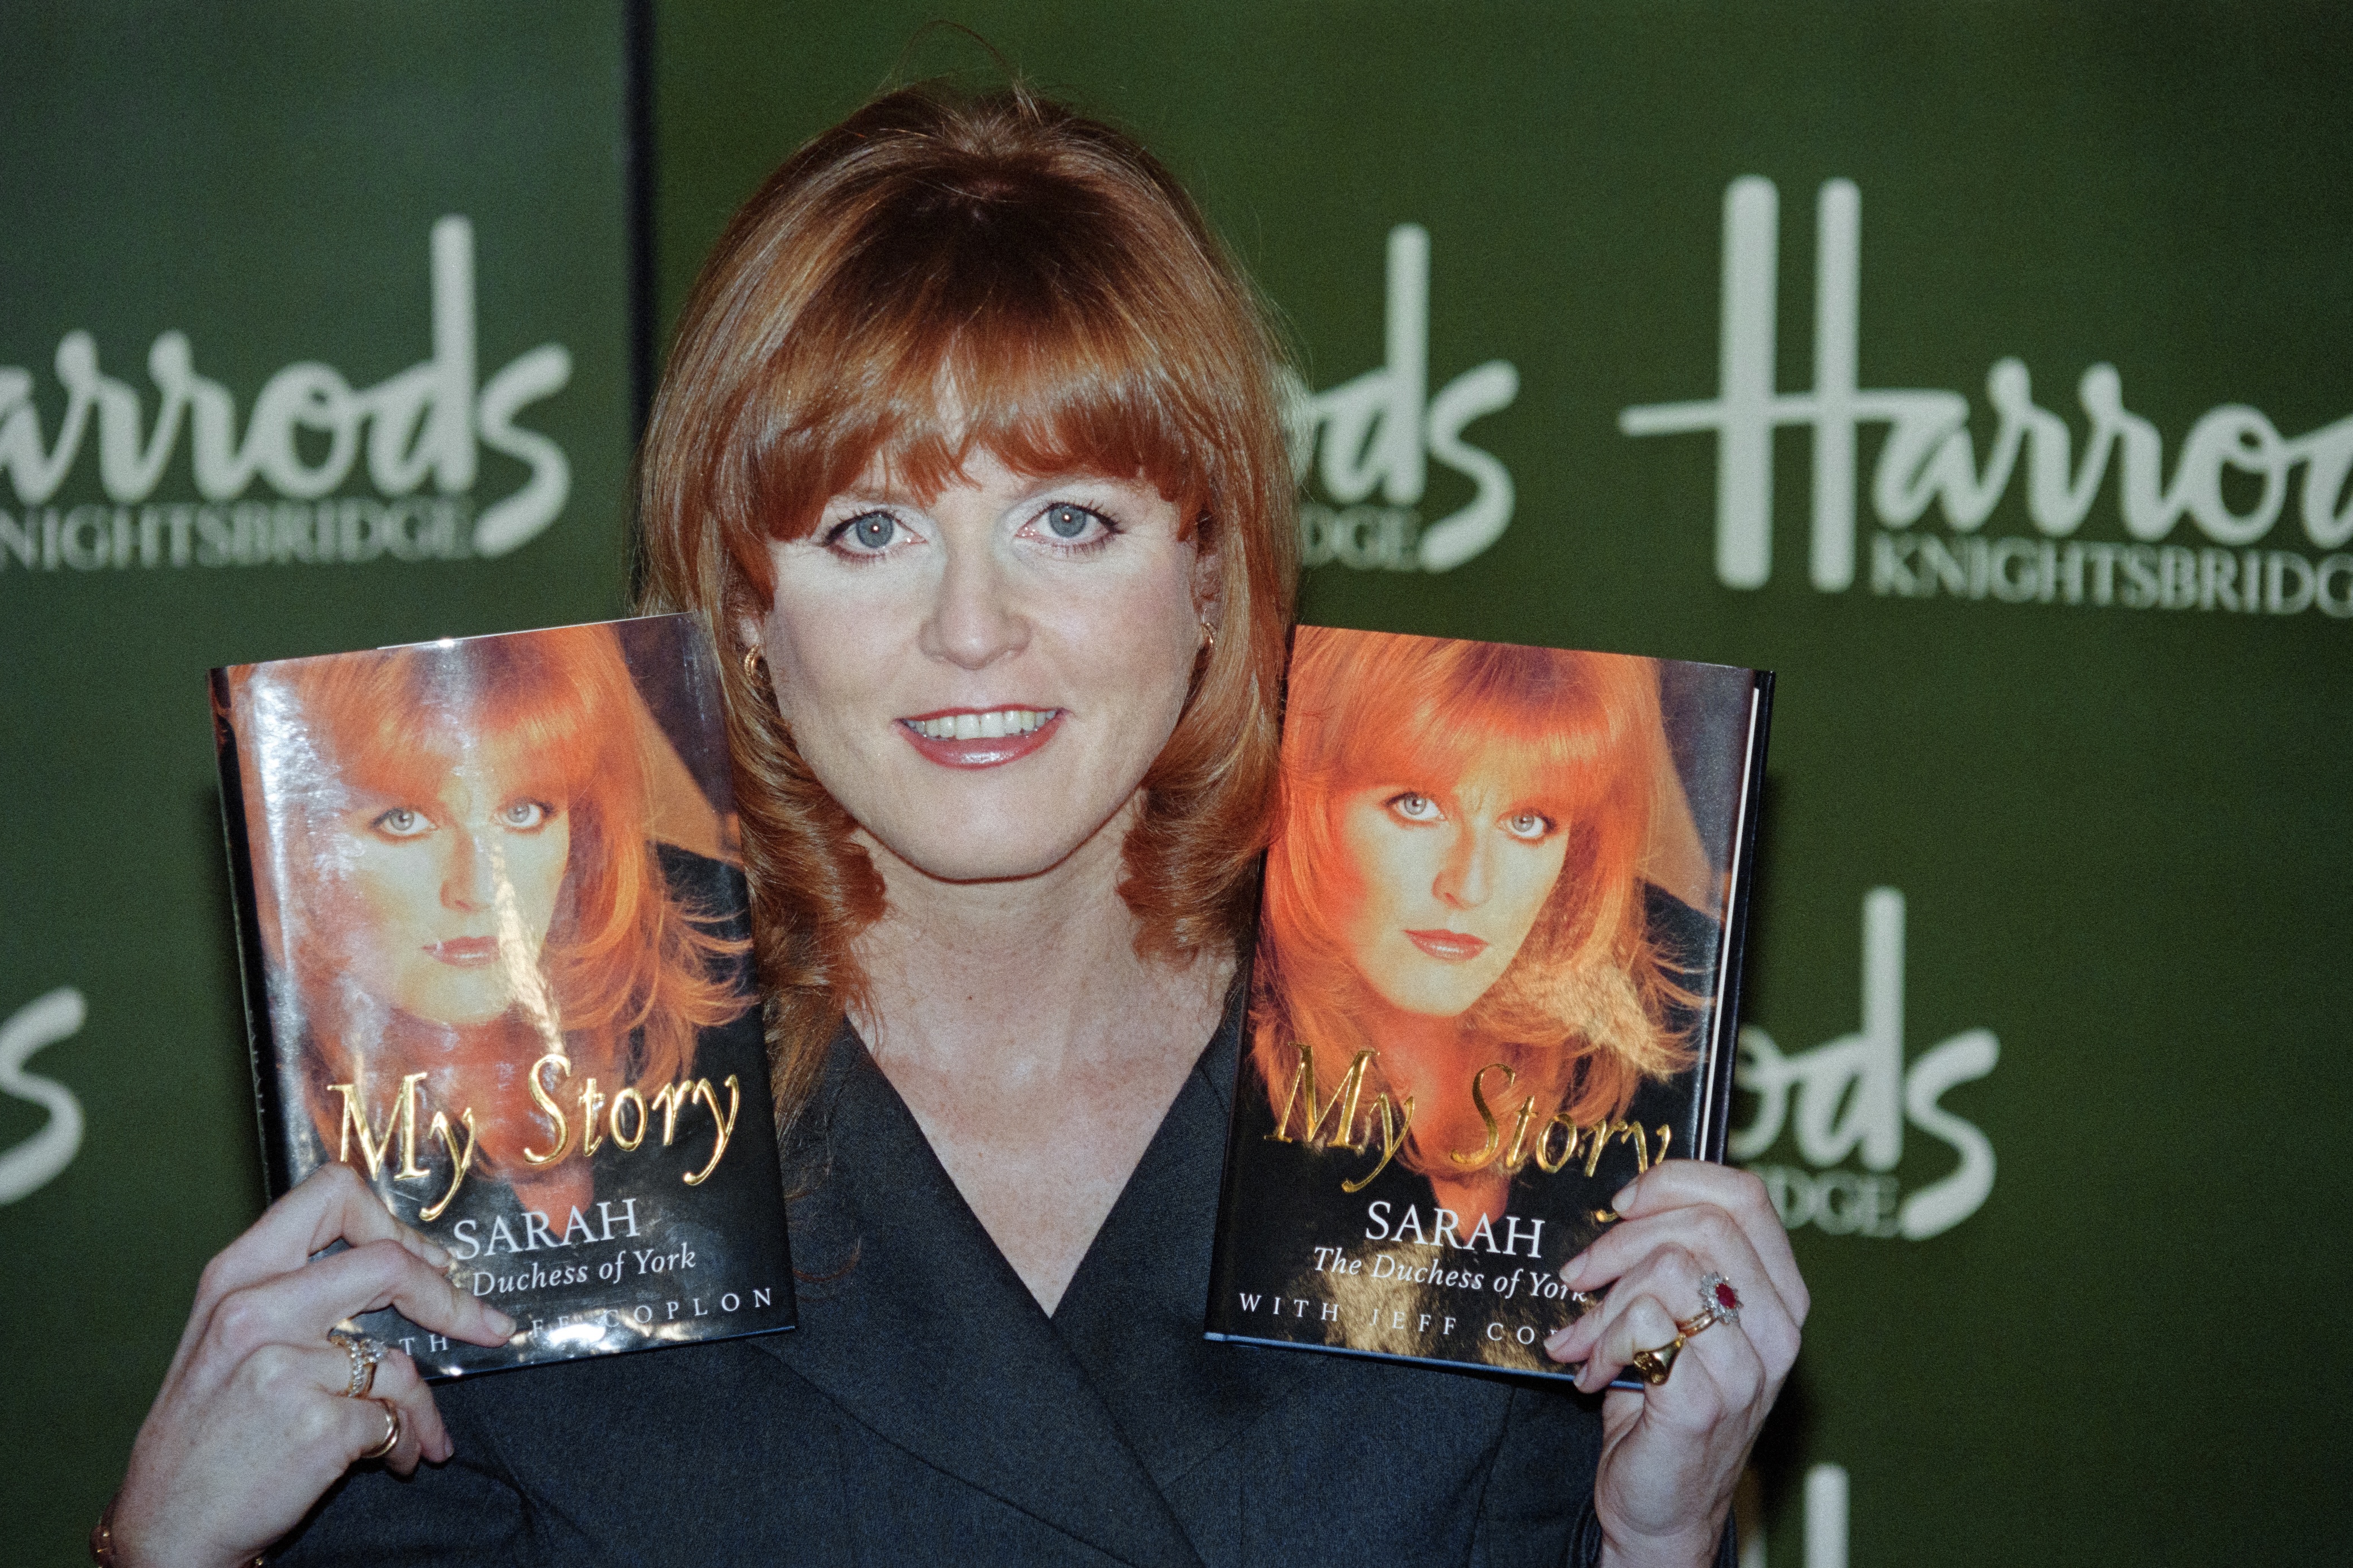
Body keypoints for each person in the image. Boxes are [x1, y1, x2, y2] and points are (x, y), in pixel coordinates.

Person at [110, 83, 1804, 1567]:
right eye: (867, 532)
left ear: (1208, 575)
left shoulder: (1482, 1120)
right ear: (746, 606)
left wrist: (1654, 1534)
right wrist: (173, 1546)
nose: (975, 631)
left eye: (1068, 518)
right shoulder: (530, 1134)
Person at [222, 627, 750, 1229]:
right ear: (292, 850)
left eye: (524, 812)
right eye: (403, 820)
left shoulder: (728, 960)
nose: (479, 891)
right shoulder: (234, 1125)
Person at [1252, 629, 1696, 1235]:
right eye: (1416, 805)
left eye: (1528, 821)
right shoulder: (1204, 1065)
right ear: (1299, 799)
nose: (1471, 887)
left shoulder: (1676, 1009)